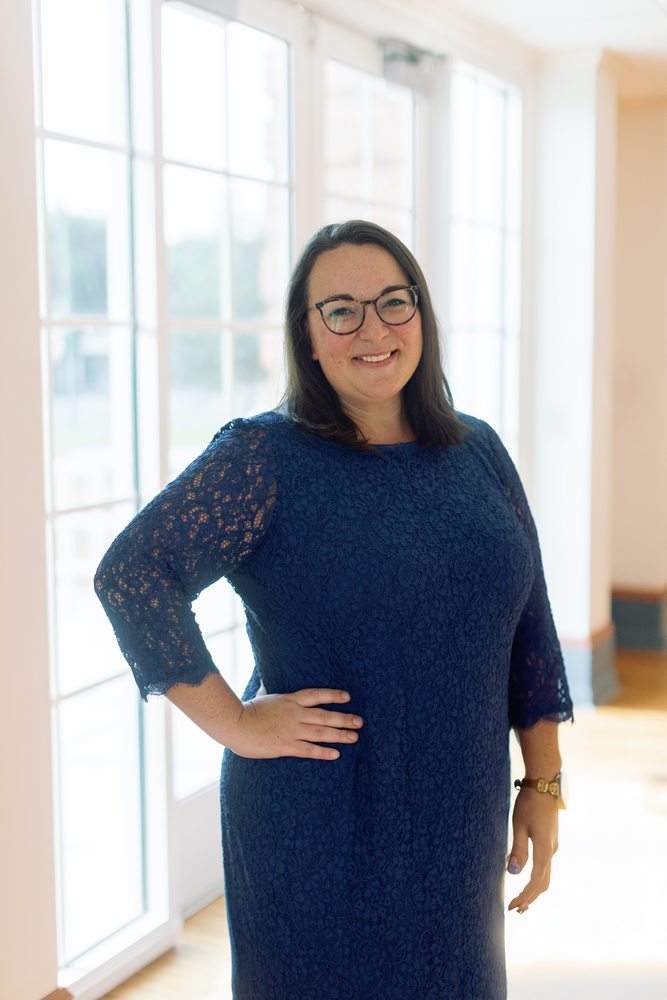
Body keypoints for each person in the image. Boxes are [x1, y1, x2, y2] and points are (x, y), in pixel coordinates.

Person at [94, 219, 574, 1000]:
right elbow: (132, 574)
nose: (373, 328)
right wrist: (237, 722)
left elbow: (529, 626)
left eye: (393, 301)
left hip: (458, 822)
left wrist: (543, 784)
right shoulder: (263, 459)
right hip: (319, 824)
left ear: (421, 313)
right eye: (340, 310)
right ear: (307, 337)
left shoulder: (477, 451)